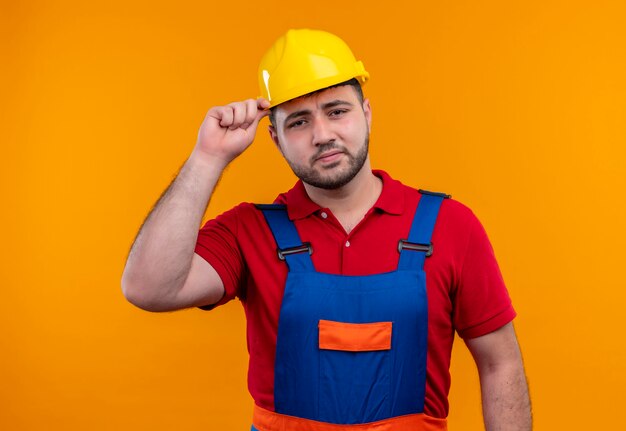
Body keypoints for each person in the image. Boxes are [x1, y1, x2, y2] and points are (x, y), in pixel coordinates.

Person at [121, 29, 531, 431]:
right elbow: (148, 288)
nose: (323, 135)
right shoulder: (249, 231)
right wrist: (207, 158)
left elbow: (500, 362)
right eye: (298, 122)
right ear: (276, 140)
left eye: (337, 111)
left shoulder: (450, 225)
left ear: (366, 113)